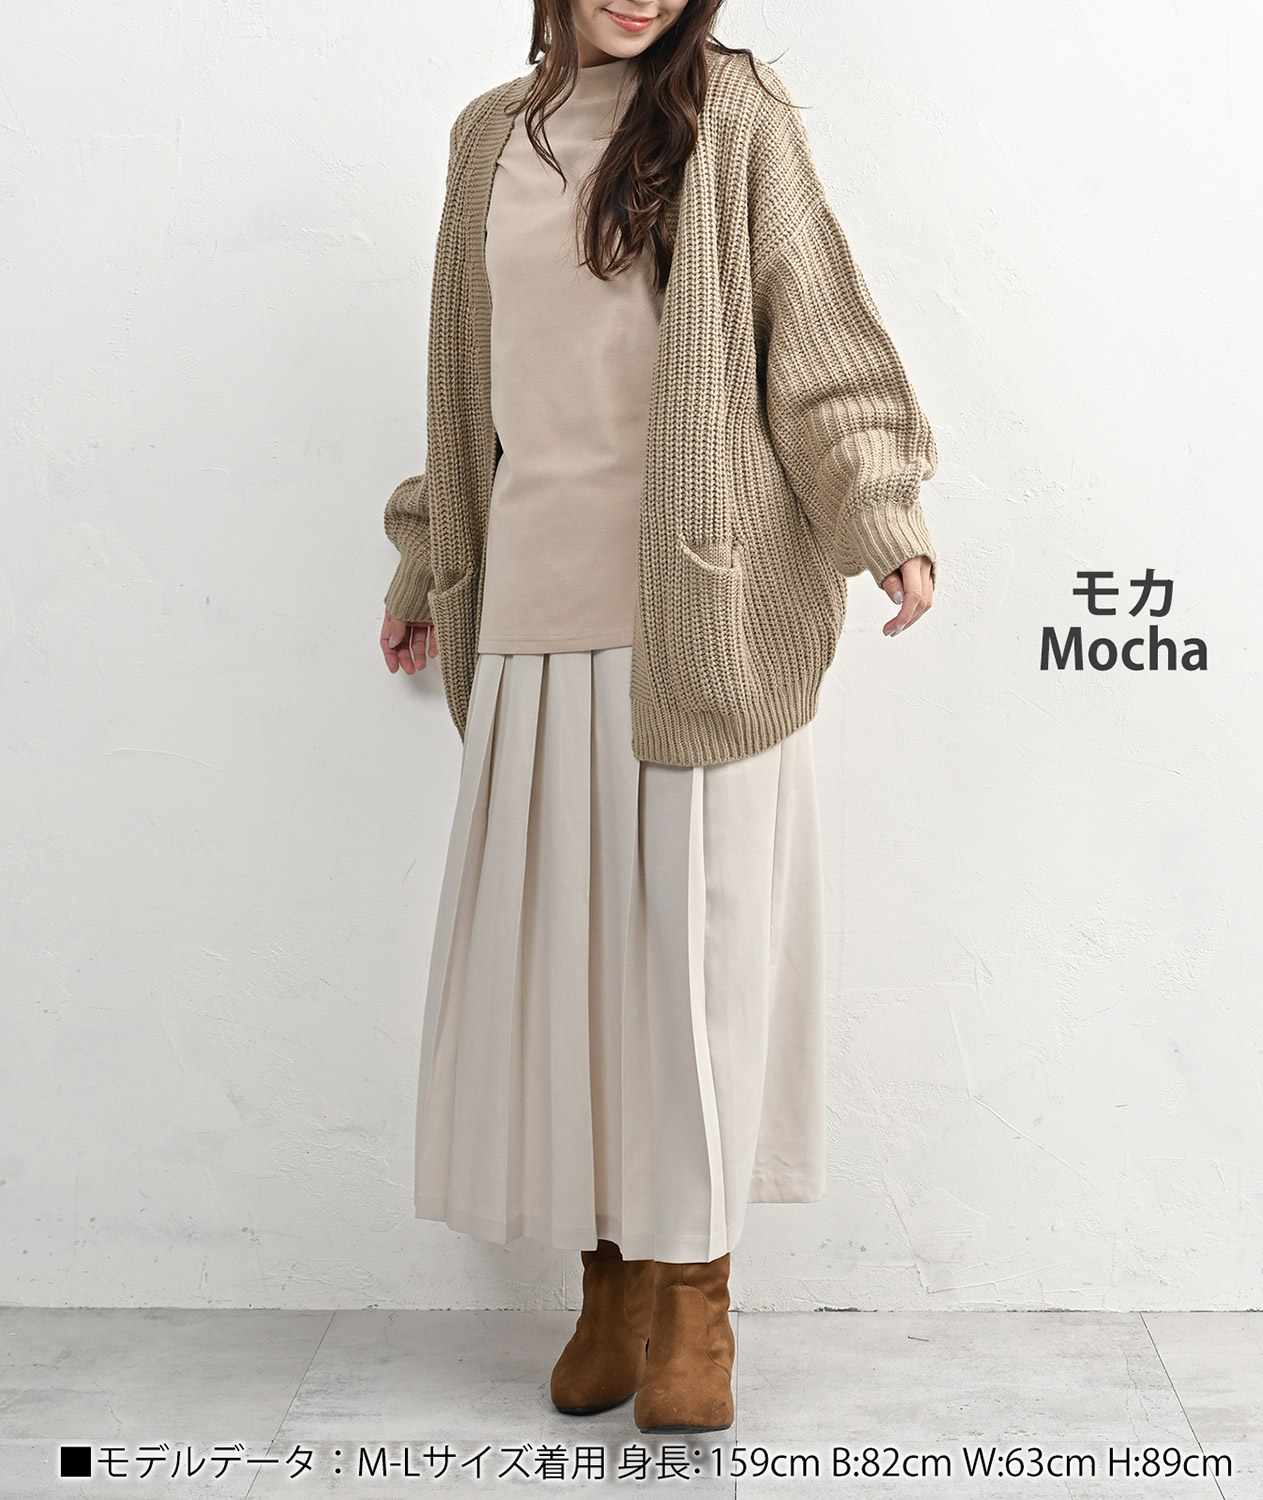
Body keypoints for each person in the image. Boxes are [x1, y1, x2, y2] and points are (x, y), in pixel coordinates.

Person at [379, 0, 940, 1435]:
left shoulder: (731, 117)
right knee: (566, 972)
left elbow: (814, 334)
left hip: (696, 610)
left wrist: (880, 512)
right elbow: (464, 387)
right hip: (530, 605)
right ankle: (610, 1284)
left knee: (693, 967)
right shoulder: (485, 141)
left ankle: (696, 1296)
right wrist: (427, 554)